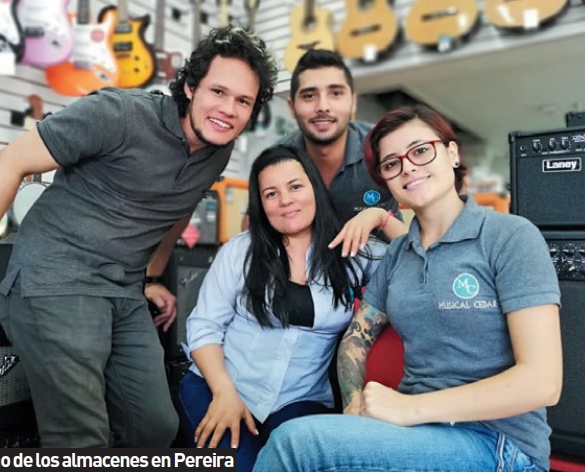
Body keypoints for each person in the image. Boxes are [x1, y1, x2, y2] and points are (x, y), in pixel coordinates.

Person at [0, 25, 278, 448]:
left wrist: (152, 275)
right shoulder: (118, 114)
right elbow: (7, 163)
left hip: (122, 291)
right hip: (55, 279)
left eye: (243, 101)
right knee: (81, 439)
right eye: (218, 91)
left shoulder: (218, 150)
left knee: (155, 429)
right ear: (190, 86)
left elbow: (178, 206)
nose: (228, 109)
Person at [253, 104, 563, 471]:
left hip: (498, 444)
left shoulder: (509, 236)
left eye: (420, 151)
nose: (408, 167)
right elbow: (356, 337)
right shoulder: (399, 254)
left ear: (451, 153)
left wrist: (410, 408)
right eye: (392, 164)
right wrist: (353, 404)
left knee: (294, 445)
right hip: (415, 434)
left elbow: (542, 382)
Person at [177, 145, 397, 471]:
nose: (285, 200)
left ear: (314, 189)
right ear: (261, 204)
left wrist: (380, 217)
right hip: (221, 386)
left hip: (301, 399)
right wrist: (224, 392)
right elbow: (204, 326)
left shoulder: (350, 252)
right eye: (271, 194)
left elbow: (422, 258)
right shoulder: (241, 251)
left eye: (295, 186)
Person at [279, 48, 400, 232]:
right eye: (309, 96)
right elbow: (254, 225)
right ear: (292, 107)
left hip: (382, 249)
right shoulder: (278, 158)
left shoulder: (383, 144)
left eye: (335, 93)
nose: (323, 107)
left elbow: (429, 207)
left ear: (353, 102)